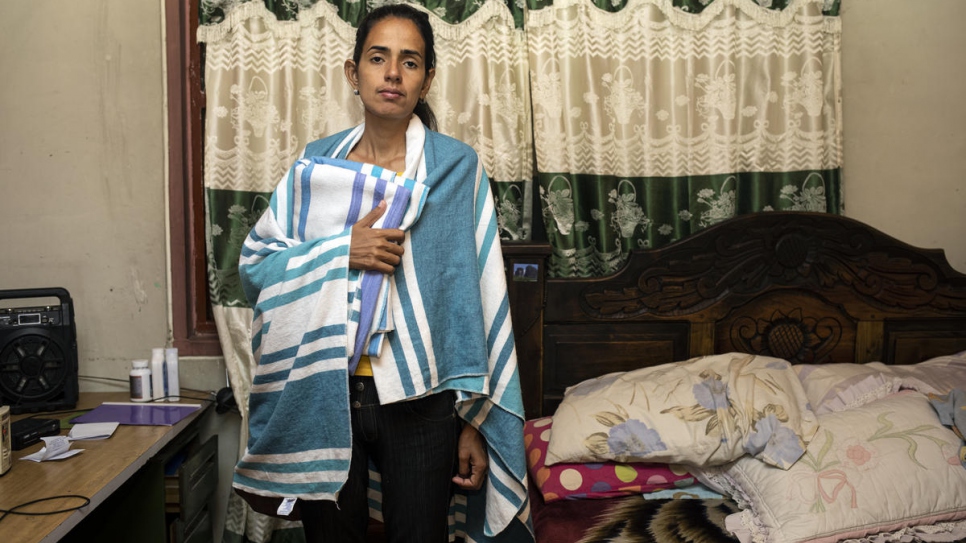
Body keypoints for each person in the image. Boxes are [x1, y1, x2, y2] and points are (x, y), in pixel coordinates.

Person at [234, 4, 531, 543]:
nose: (393, 73)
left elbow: (473, 300)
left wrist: (472, 421)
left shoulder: (454, 168)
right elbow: (255, 269)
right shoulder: (316, 167)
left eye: (410, 61)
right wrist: (340, 251)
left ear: (427, 79)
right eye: (378, 58)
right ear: (354, 72)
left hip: (421, 400)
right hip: (325, 390)